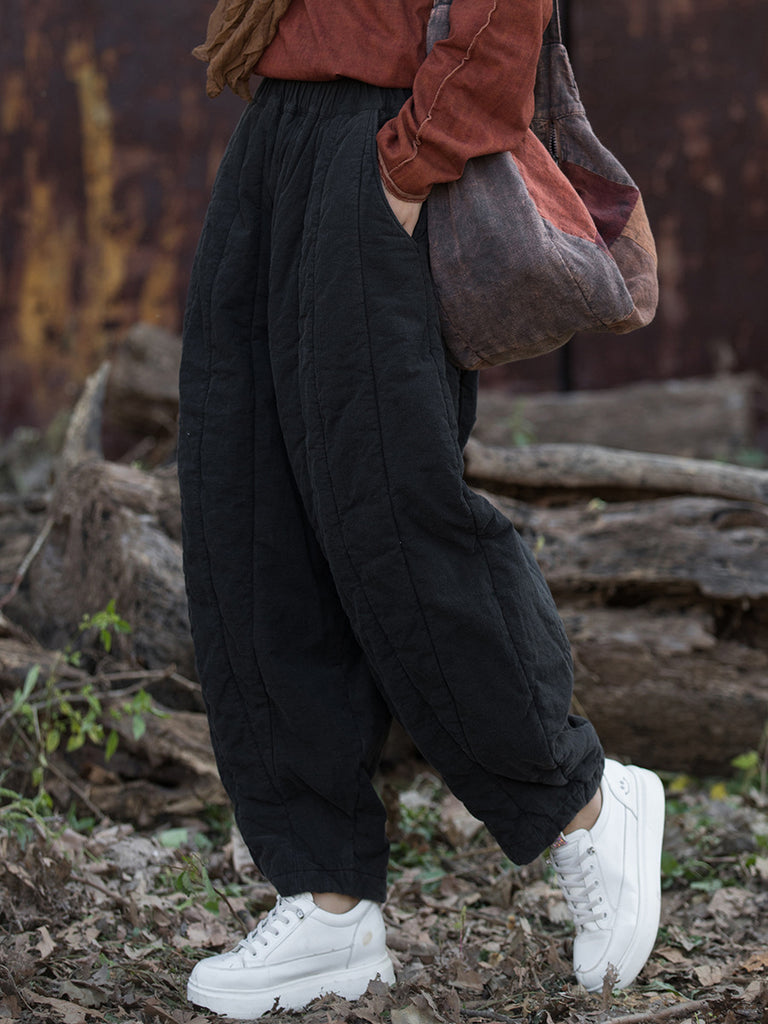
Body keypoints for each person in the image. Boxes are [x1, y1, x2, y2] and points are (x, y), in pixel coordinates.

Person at [177, 0, 666, 1017]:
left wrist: (415, 158)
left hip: (384, 141)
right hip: (278, 133)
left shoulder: (401, 153)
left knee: (391, 516)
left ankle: (582, 801)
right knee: (249, 514)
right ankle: (326, 898)